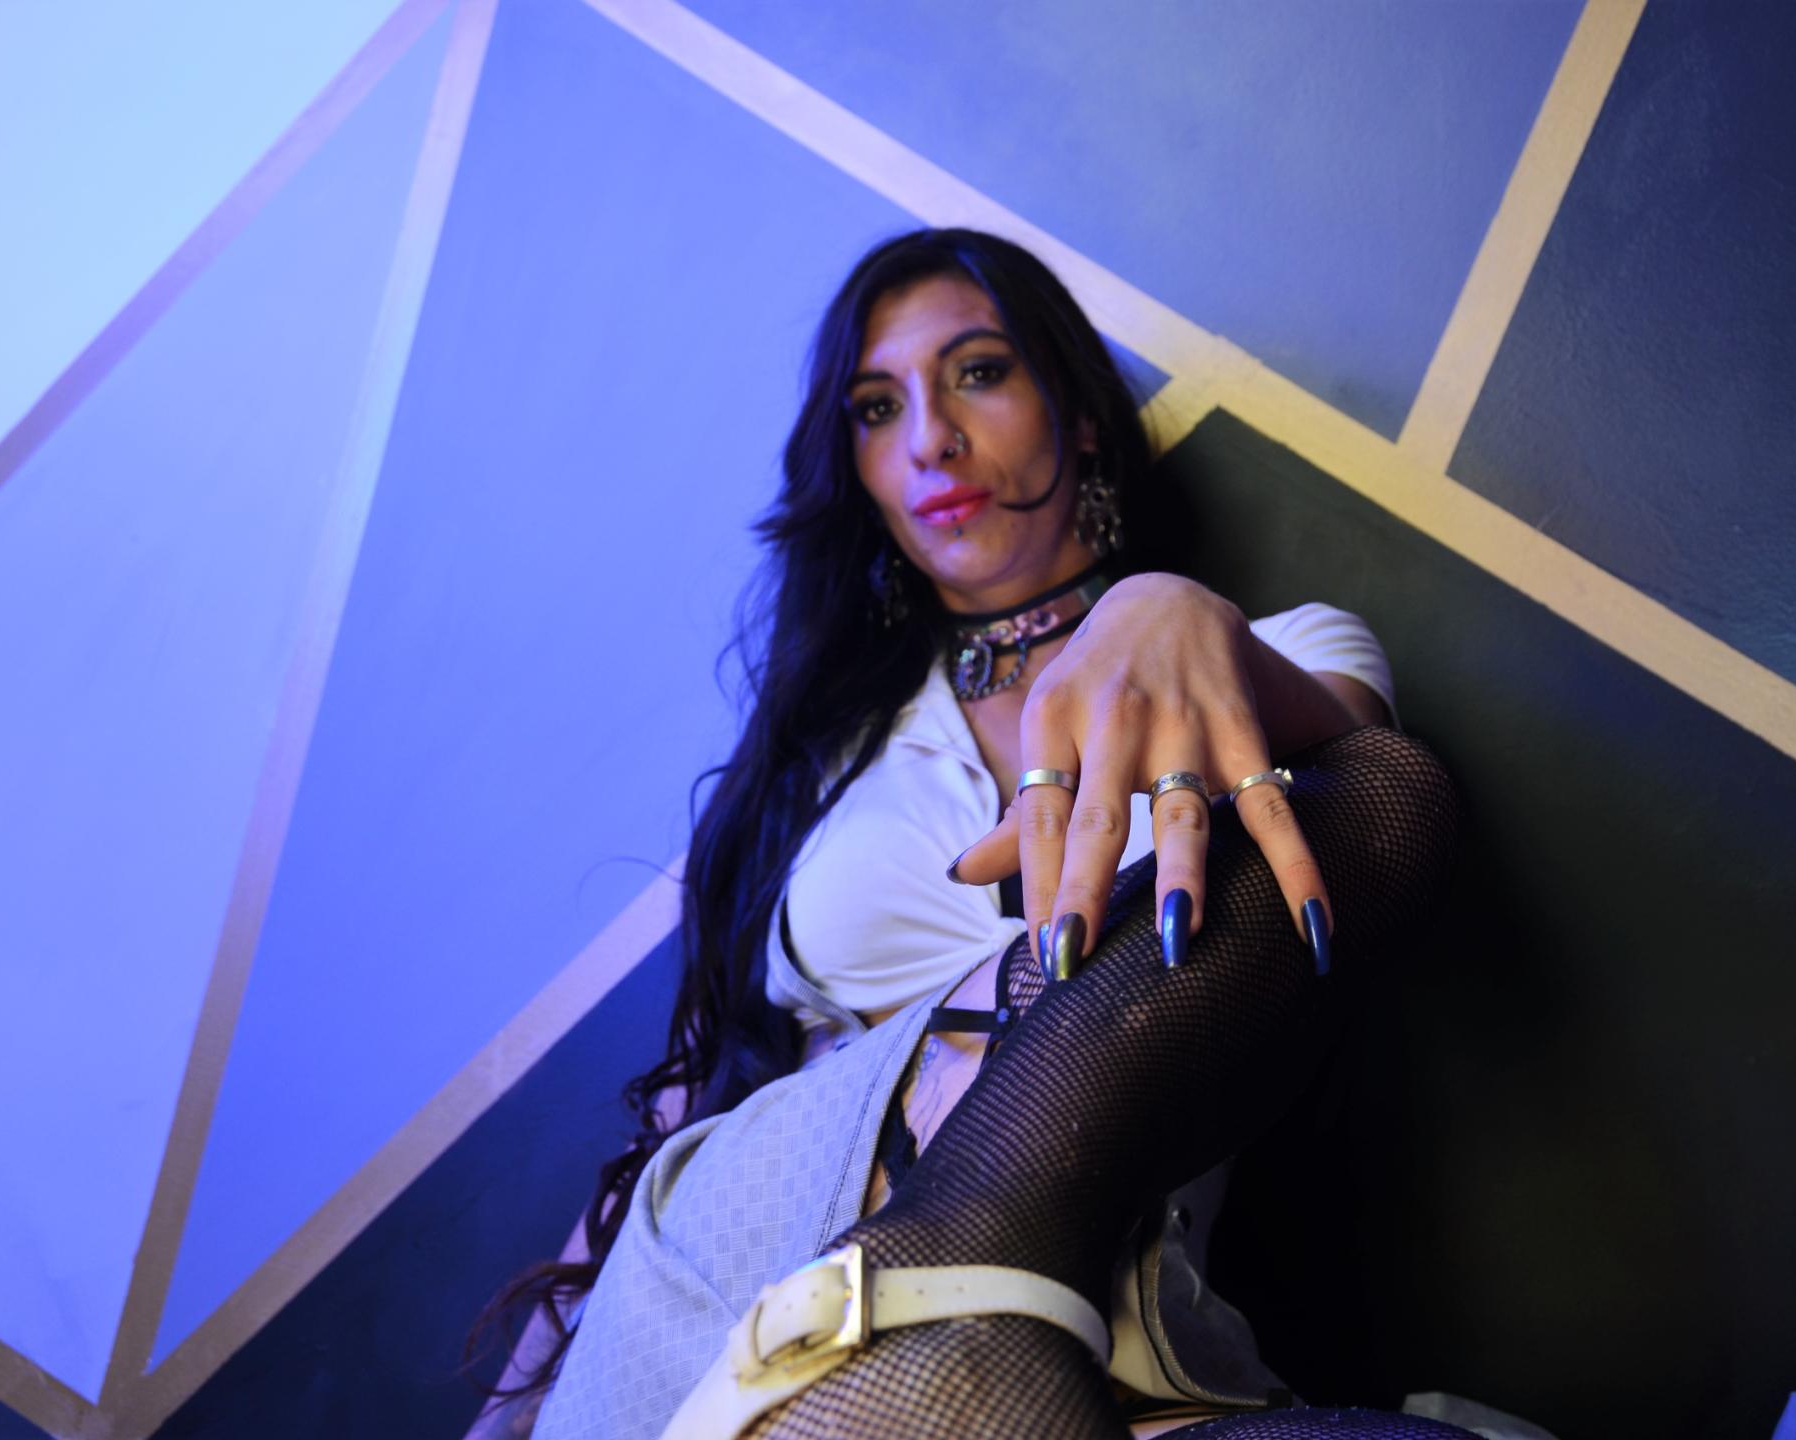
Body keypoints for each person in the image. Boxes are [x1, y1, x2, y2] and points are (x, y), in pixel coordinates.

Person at [468, 229, 1463, 1439]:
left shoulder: (1280, 652)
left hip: (1121, 1314)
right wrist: (517, 1413)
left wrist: (1160, 608)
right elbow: (691, 1105)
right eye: (876, 408)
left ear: (1079, 416)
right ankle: (900, 1307)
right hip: (750, 1268)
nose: (929, 439)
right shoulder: (824, 758)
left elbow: (1374, 803)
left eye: (977, 374)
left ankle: (947, 1321)